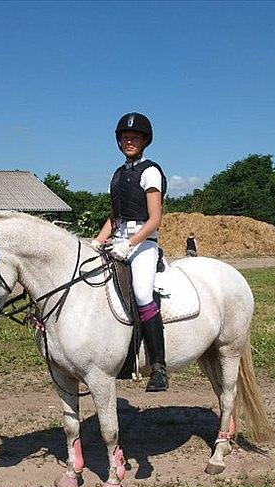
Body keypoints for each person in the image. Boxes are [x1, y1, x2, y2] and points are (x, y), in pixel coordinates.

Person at [92, 112, 169, 392]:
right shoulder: (118, 174)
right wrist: (96, 243)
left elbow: (155, 219)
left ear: (144, 140)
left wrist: (130, 244)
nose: (129, 141)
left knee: (141, 293)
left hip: (143, 242)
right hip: (117, 240)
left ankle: (159, 367)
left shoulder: (150, 172)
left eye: (134, 138)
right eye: (125, 137)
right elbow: (114, 218)